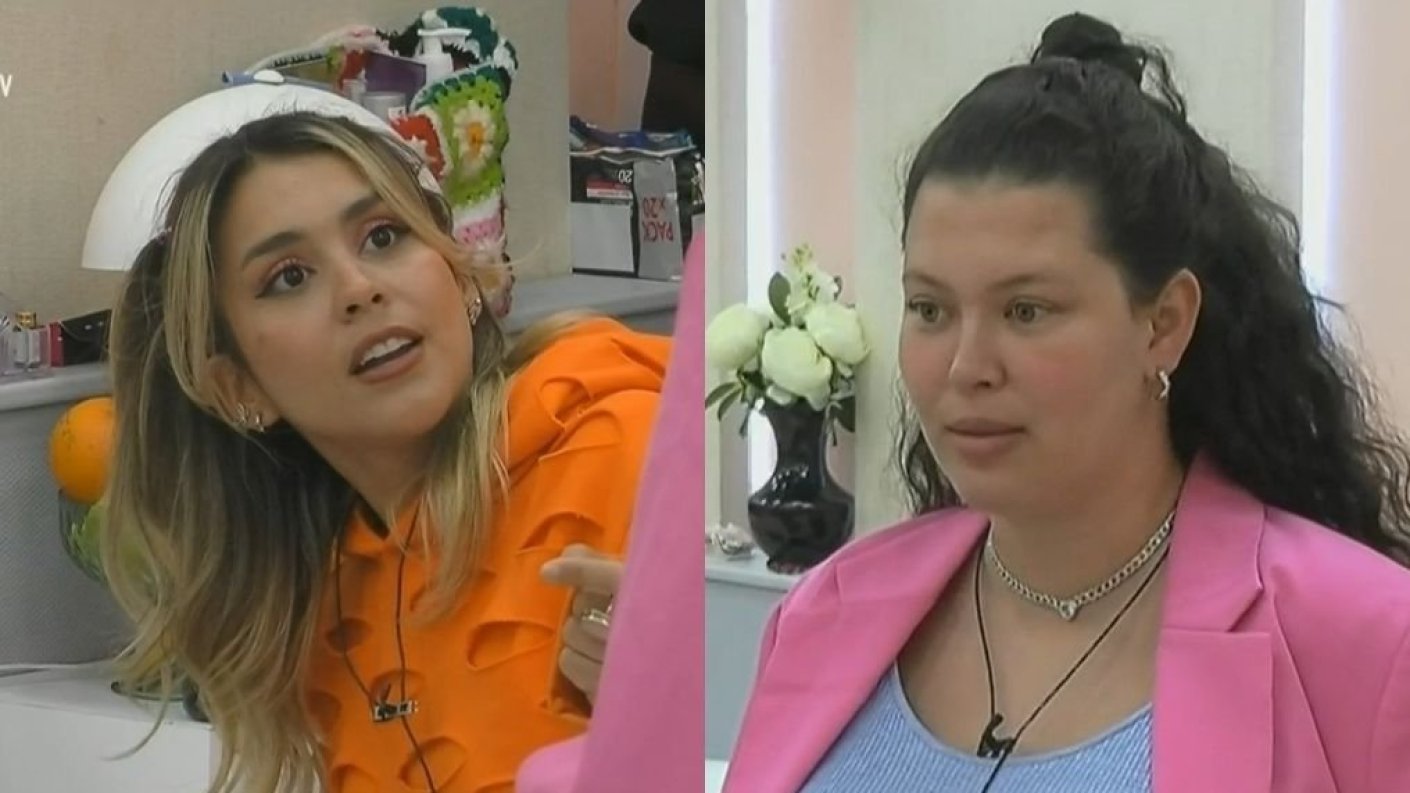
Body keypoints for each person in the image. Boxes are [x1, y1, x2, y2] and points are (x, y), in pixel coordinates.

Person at [724, 13, 1410, 793]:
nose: (967, 366)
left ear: (1164, 324)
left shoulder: (1365, 643)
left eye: (1026, 311)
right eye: (930, 308)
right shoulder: (826, 612)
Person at [101, 110, 668, 793]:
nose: (359, 289)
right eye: (289, 276)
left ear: (460, 276)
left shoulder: (626, 442)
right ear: (237, 387)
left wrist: (686, 706)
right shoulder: (322, 612)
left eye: (382, 236)